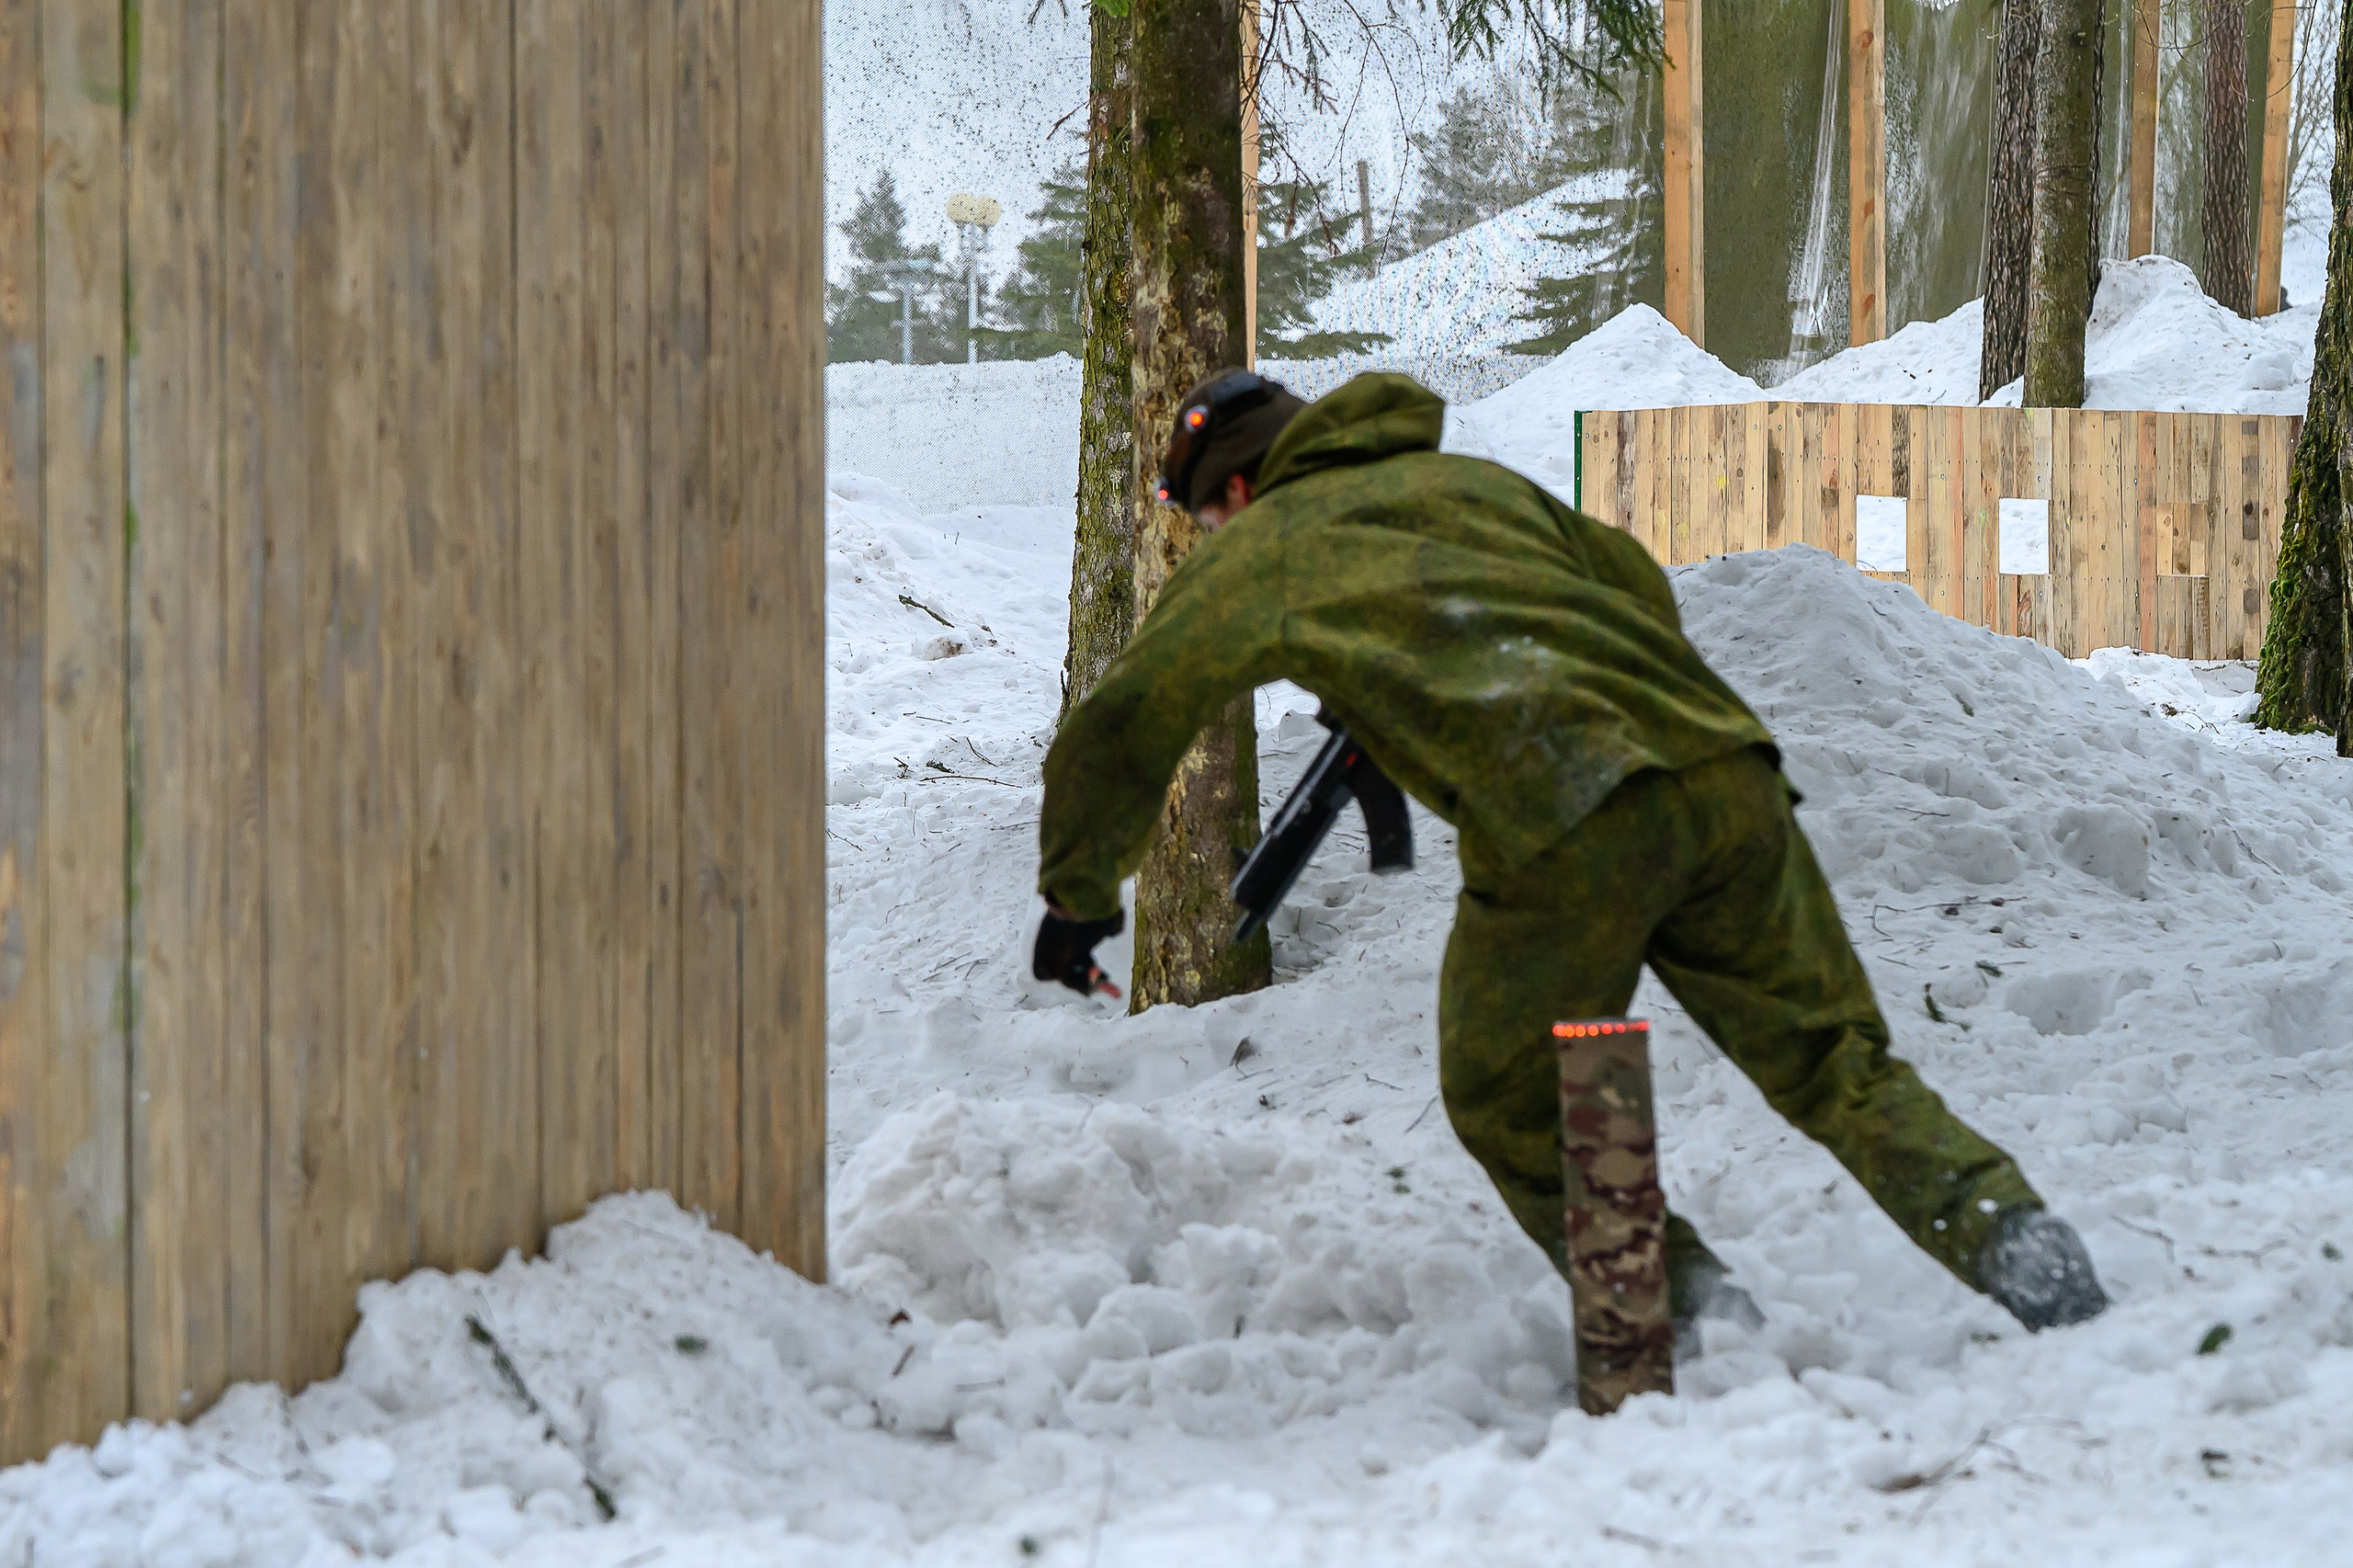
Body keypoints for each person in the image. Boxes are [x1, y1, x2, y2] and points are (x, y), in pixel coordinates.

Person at [1030, 368, 2109, 1336]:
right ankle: (2013, 1239)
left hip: (1565, 810)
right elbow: (1631, 588)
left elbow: (1127, 712)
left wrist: (1079, 893)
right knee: (1833, 1059)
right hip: (1721, 770)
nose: (1211, 535)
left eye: (1201, 513)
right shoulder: (1479, 490)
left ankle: (1684, 1313)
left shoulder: (1273, 543)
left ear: (1234, 489)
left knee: (1509, 1092)